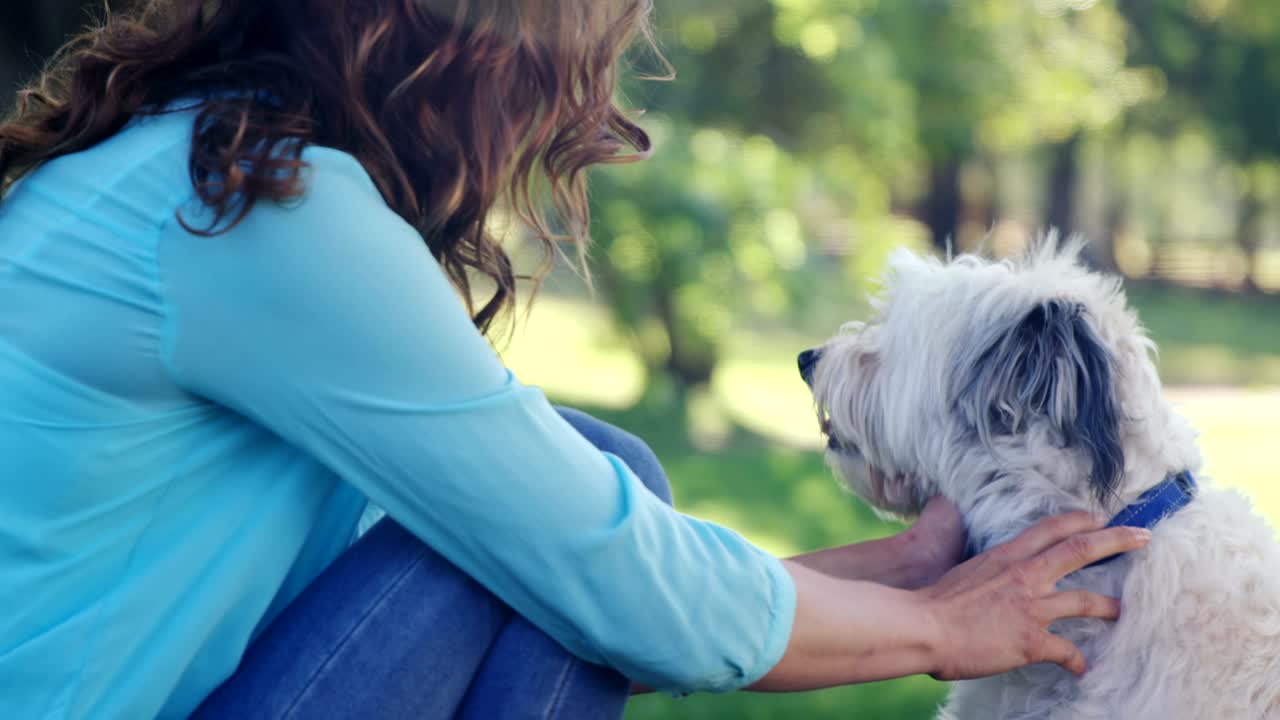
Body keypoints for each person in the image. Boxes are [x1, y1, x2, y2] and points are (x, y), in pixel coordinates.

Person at [0, 1, 1150, 718]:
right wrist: (938, 630)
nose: (589, 89)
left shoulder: (197, 171)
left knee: (575, 500)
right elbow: (590, 575)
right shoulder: (261, 217)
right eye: (589, 39)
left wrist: (900, 570)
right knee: (560, 513)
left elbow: (575, 592)